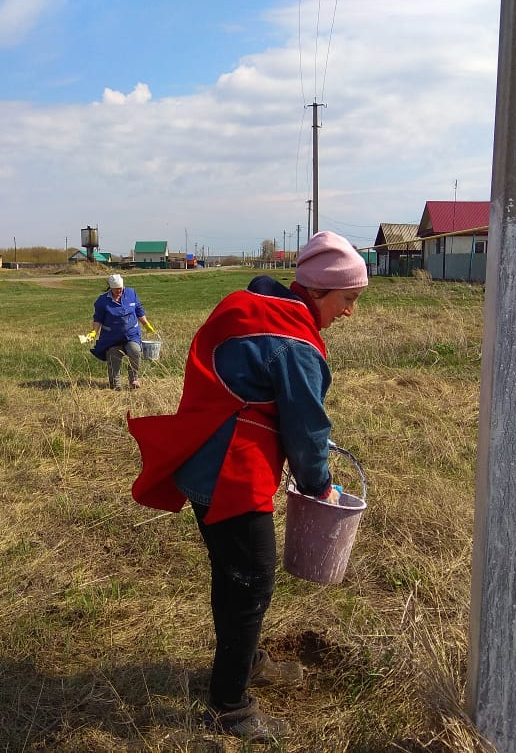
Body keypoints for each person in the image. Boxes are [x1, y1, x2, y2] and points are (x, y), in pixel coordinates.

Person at [126, 231, 368, 742]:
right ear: (319, 291)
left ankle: (247, 660)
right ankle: (229, 706)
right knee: (252, 582)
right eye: (347, 300)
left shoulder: (253, 305)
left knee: (232, 575)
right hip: (233, 471)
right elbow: (308, 429)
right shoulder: (294, 342)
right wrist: (320, 485)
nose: (348, 312)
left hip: (200, 456)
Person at [89, 273, 156, 390]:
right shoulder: (102, 301)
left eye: (120, 289)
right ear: (111, 288)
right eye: (116, 289)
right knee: (114, 356)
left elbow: (139, 310)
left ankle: (133, 379)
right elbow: (98, 318)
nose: (119, 291)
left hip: (131, 334)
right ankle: (116, 385)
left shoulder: (131, 294)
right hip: (112, 338)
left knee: (135, 351)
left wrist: (147, 324)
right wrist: (94, 332)